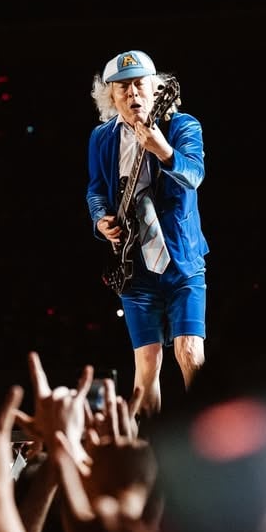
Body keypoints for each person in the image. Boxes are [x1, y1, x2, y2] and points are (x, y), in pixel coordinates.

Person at [86, 49, 209, 415]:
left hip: (182, 260)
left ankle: (204, 439)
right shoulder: (101, 137)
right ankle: (148, 454)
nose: (133, 94)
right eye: (122, 88)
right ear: (111, 96)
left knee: (190, 352)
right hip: (133, 266)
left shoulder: (183, 126)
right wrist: (100, 219)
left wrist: (163, 150)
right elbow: (95, 189)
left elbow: (194, 176)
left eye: (139, 85)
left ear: (155, 89)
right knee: (146, 365)